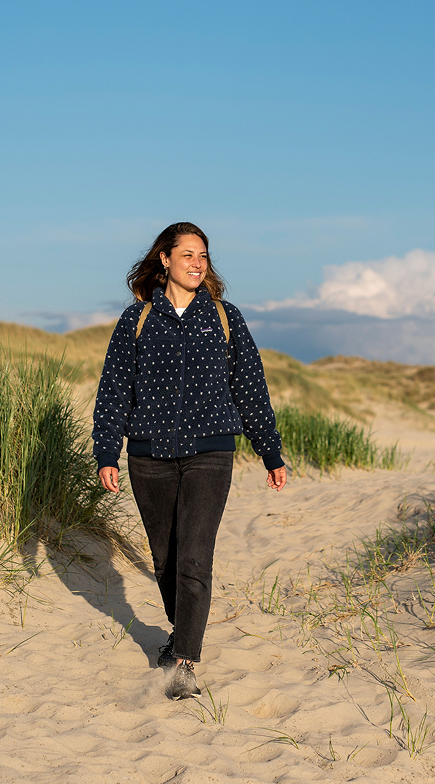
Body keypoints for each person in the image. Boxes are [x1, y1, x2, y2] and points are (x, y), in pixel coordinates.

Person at [91, 222, 288, 701]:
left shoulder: (224, 317)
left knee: (195, 557)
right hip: (148, 456)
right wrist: (106, 451)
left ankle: (184, 663)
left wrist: (270, 450)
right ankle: (181, 634)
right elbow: (115, 388)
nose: (198, 263)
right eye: (188, 255)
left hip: (210, 452)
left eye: (204, 255)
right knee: (165, 560)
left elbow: (250, 388)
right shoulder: (136, 319)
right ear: (165, 259)